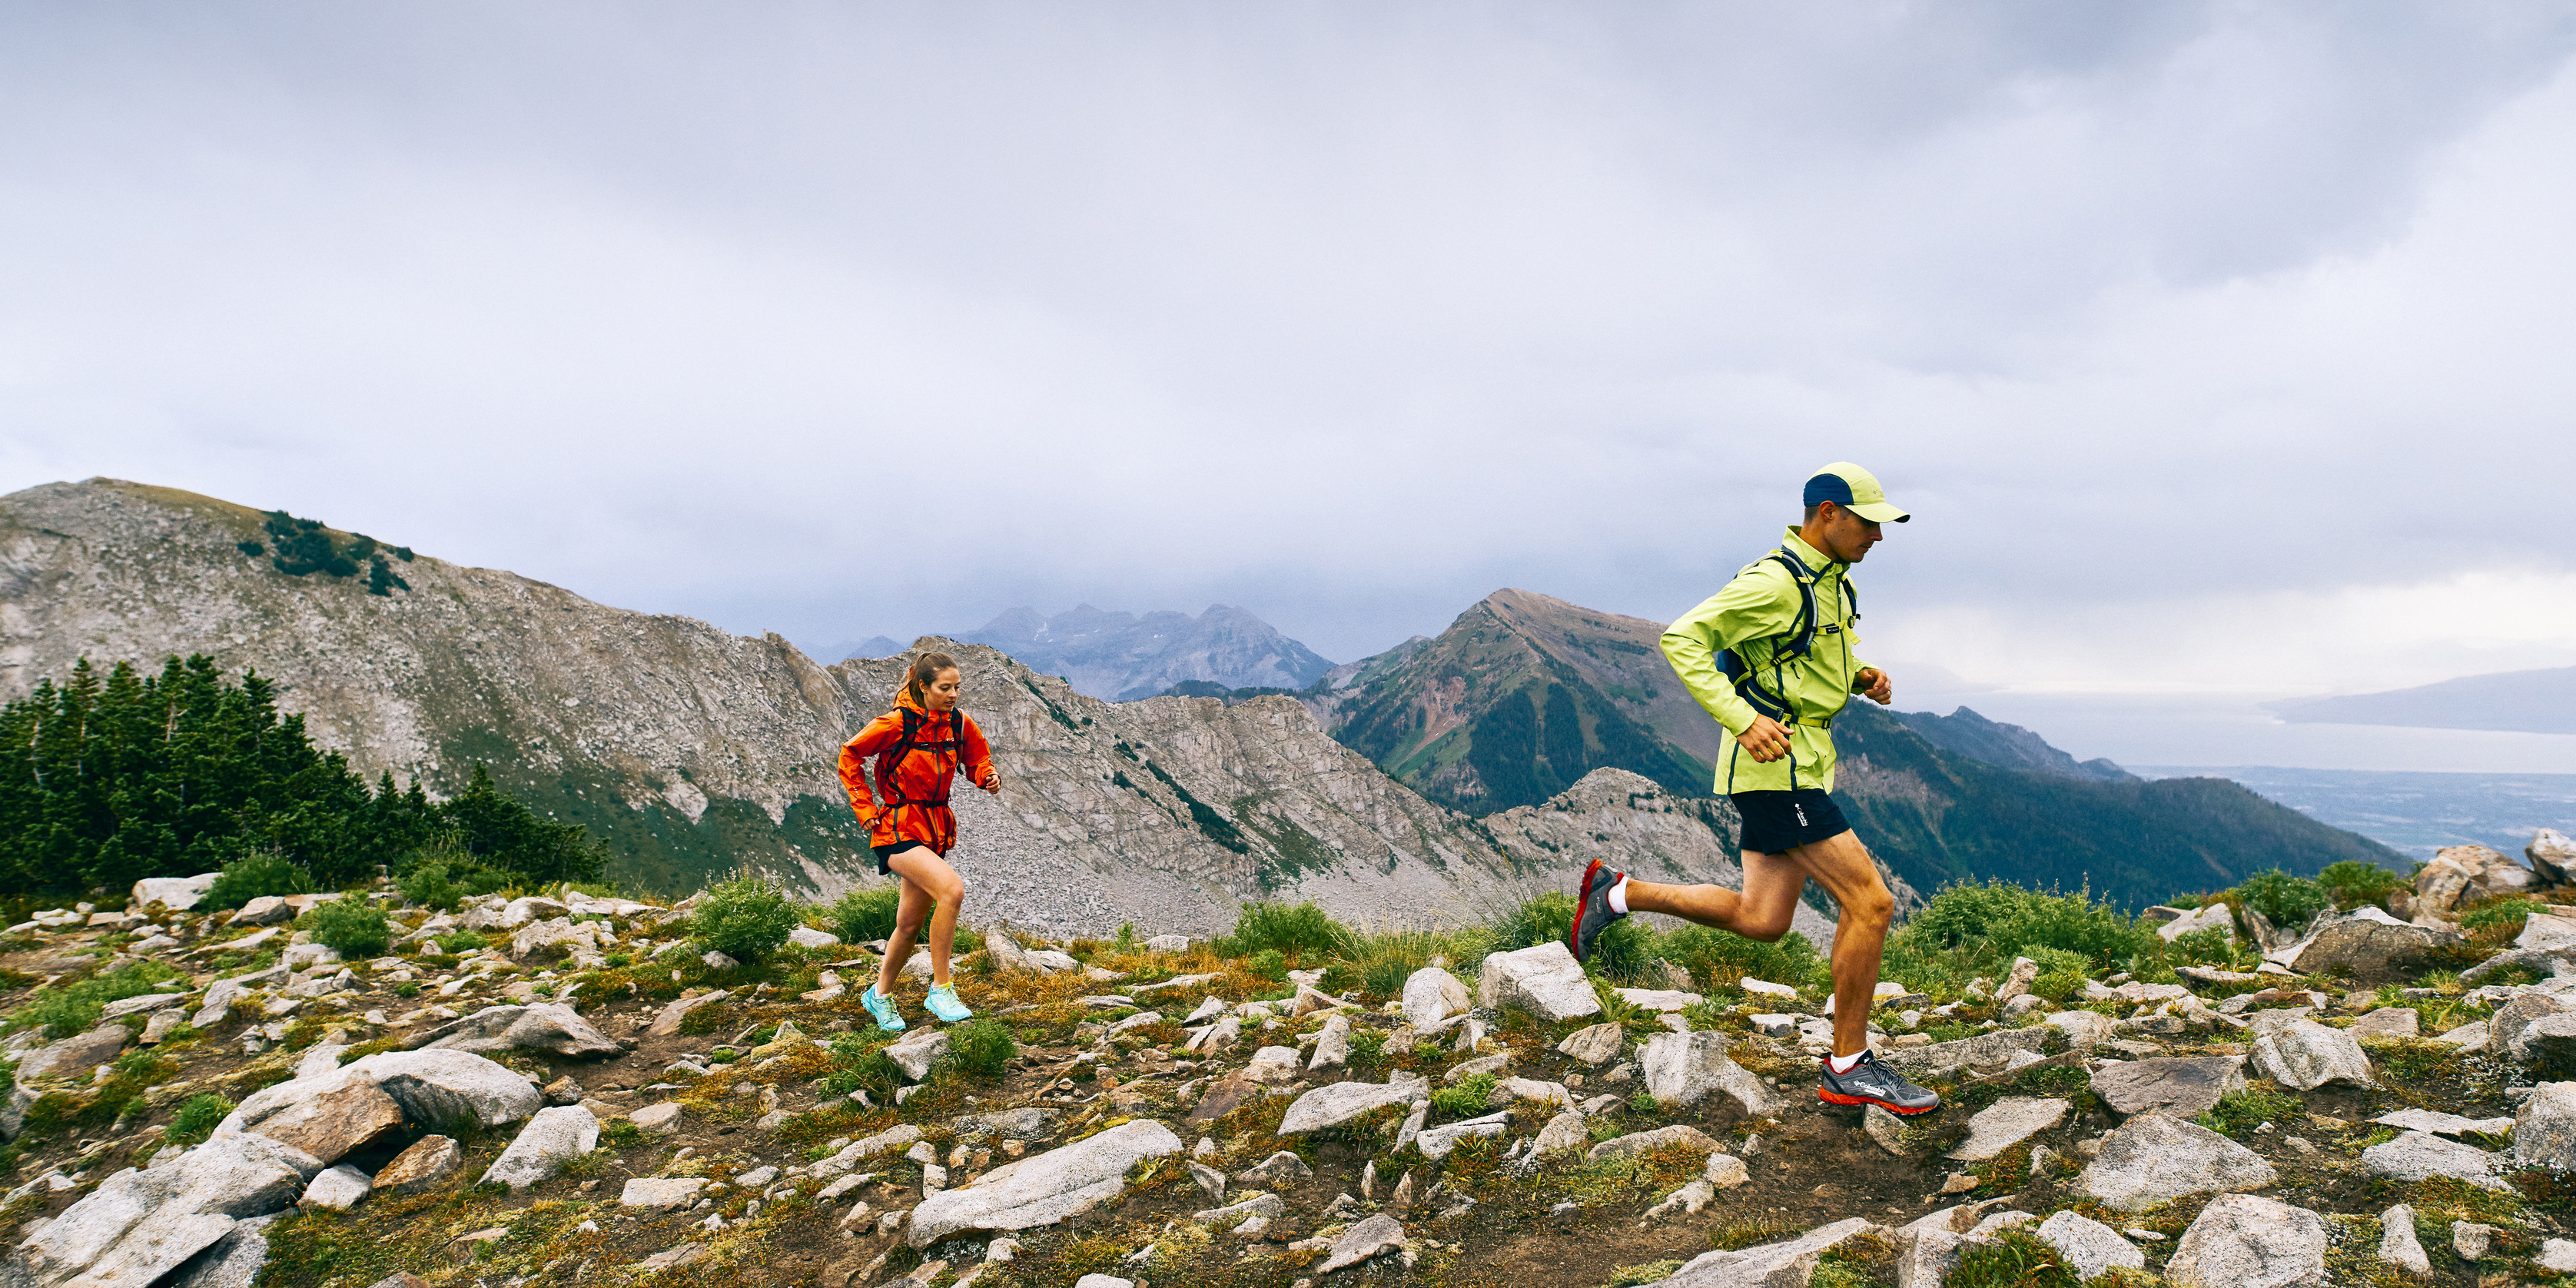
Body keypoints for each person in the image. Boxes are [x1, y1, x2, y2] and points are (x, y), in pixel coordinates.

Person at [1566, 461, 1940, 1116]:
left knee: (1763, 920)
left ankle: (1617, 892)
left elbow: (1805, 658)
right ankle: (1849, 1066)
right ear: (1828, 512)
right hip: (1778, 772)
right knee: (1873, 904)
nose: (1878, 538)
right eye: (1869, 523)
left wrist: (1860, 676)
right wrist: (1740, 720)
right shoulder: (1776, 581)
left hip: (1800, 766)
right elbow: (1682, 638)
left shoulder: (1831, 583)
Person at [837, 651, 1000, 1032]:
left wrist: (986, 776)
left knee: (909, 924)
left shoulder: (958, 723)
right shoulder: (896, 723)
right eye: (945, 688)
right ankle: (941, 989)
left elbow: (977, 758)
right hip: (896, 826)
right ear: (923, 686)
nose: (954, 694)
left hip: (934, 827)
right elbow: (850, 754)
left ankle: (878, 996)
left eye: (957, 687)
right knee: (952, 891)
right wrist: (865, 807)